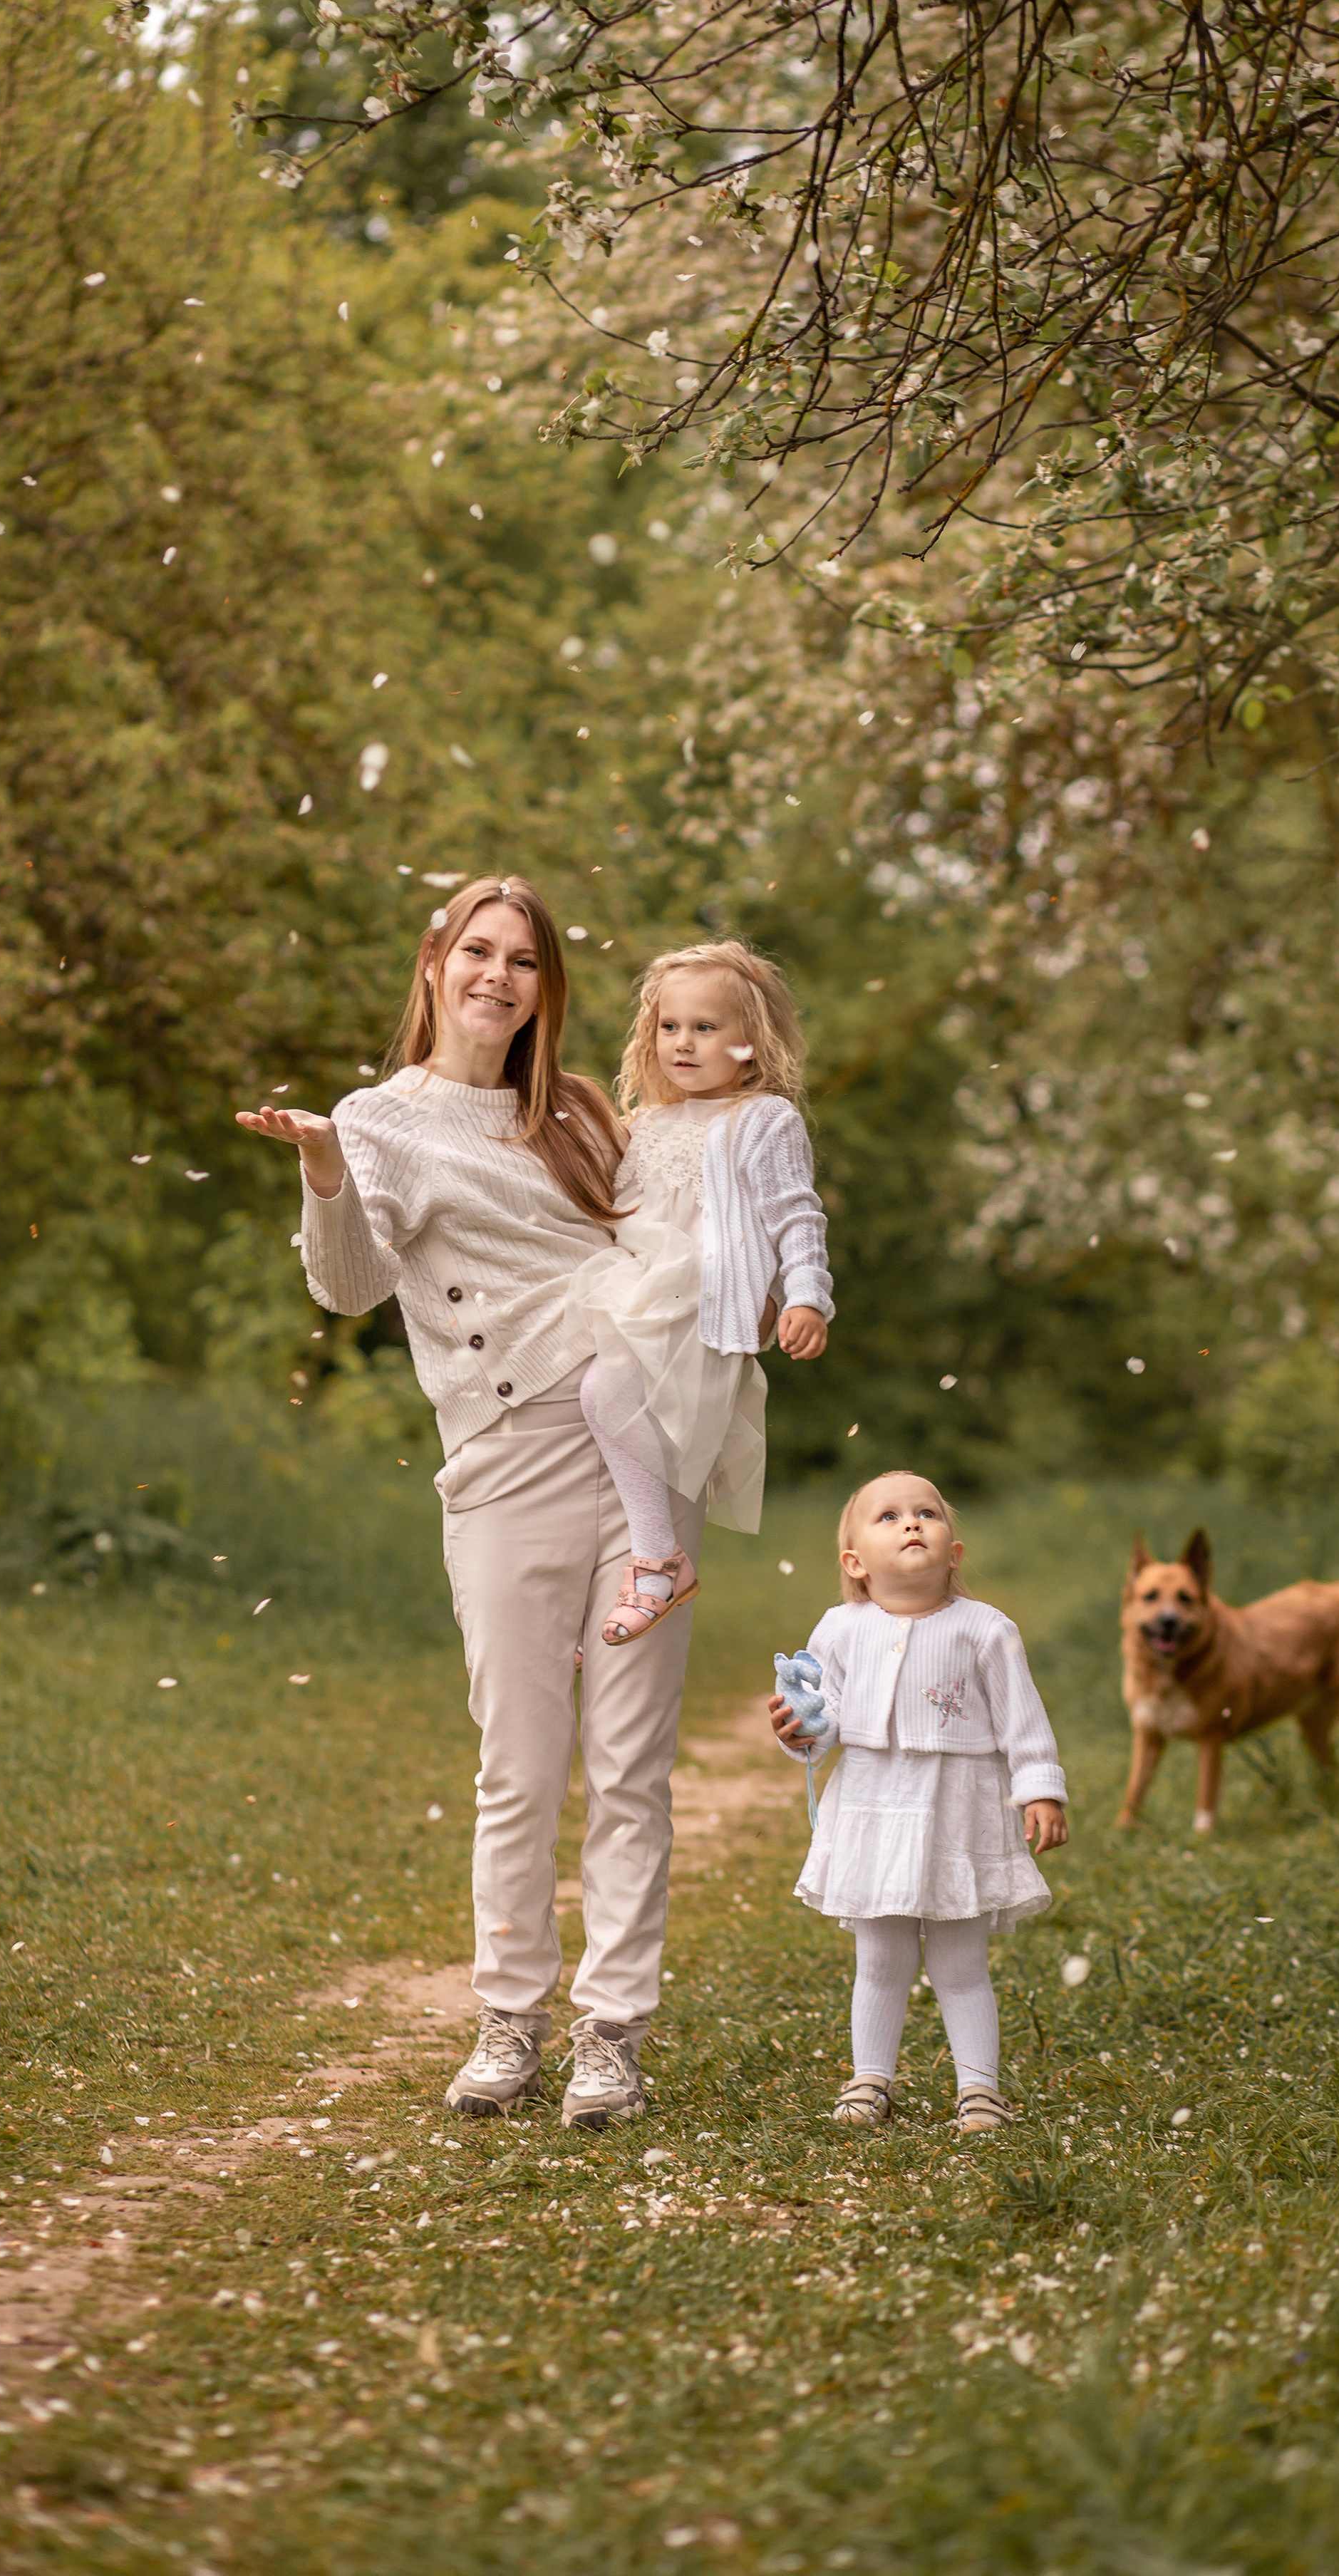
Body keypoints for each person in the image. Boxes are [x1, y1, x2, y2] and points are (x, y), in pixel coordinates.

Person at [234, 876, 698, 2132]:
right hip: (505, 1462)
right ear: (435, 962)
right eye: (479, 950)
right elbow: (347, 1289)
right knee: (520, 1764)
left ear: (547, 988)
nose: (499, 975)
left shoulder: (583, 1113)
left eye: (525, 960)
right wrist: (324, 1169)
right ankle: (510, 2021)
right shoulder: (376, 1123)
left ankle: (613, 2036)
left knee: (632, 1766)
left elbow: (666, 1249)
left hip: (639, 1458)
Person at [769, 1471, 1069, 2134]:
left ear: (953, 1552)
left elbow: (1023, 1721)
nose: (911, 1523)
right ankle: (870, 2078)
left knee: (960, 1965)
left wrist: (1041, 1788)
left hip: (958, 1813)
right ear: (855, 1563)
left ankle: (980, 2090)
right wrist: (801, 1733)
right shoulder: (840, 1629)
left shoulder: (985, 1630)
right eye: (889, 1516)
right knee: (880, 1960)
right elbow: (823, 1721)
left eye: (927, 1513)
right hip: (873, 1811)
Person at [570, 940, 834, 1645]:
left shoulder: (762, 1120)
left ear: (750, 1042)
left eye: (705, 1027)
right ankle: (569, 1597)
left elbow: (796, 1216)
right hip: (637, 1288)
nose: (682, 1043)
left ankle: (659, 1562)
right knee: (582, 1405)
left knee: (604, 1391)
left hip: (706, 1300)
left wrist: (805, 1296)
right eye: (670, 1027)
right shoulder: (647, 1122)